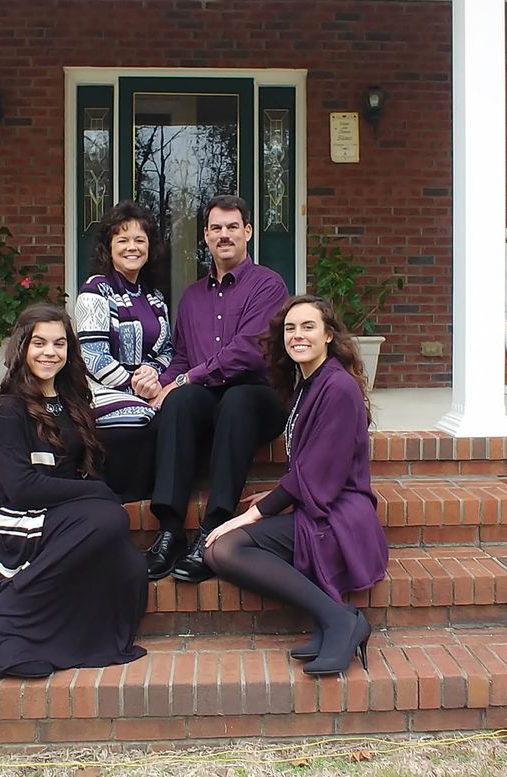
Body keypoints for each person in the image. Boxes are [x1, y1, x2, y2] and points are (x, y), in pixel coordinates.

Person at [0, 304, 148, 679]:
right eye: (39, 342)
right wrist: (97, 495)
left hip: (53, 508)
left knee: (130, 567)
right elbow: (22, 489)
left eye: (59, 343)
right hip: (12, 516)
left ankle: (64, 644)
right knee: (108, 514)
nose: (50, 352)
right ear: (22, 347)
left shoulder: (72, 399)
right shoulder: (7, 408)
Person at [203, 295, 388, 675]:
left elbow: (319, 472)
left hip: (342, 516)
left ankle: (339, 620)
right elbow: (313, 465)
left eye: (308, 327)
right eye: (290, 328)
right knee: (223, 548)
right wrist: (277, 495)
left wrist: (249, 516)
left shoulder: (336, 388)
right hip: (324, 504)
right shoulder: (308, 383)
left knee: (226, 547)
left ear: (328, 336)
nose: (297, 335)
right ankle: (335, 619)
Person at [144, 194, 289, 583]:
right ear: (206, 236)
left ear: (248, 232)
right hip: (212, 398)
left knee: (235, 399)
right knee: (180, 400)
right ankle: (171, 530)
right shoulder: (192, 297)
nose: (224, 235)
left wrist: (187, 378)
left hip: (259, 397)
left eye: (232, 227)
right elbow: (180, 357)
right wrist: (160, 386)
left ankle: (214, 528)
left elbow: (250, 352)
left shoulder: (268, 286)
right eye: (216, 228)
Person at [74, 202, 172, 502]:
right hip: (98, 387)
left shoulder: (155, 298)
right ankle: (124, 496)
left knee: (181, 412)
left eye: (140, 240)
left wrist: (154, 374)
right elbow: (94, 356)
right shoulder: (96, 291)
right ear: (109, 246)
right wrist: (136, 385)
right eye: (123, 240)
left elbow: (167, 349)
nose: (133, 247)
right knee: (140, 417)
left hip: (148, 386)